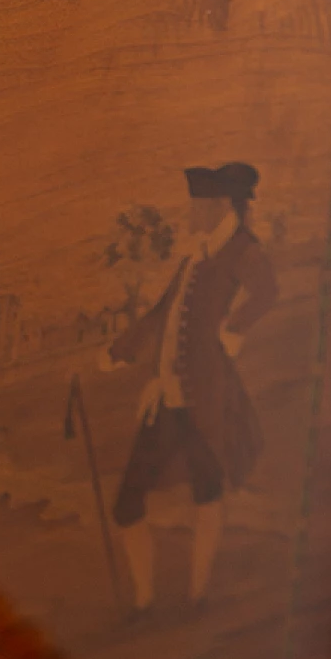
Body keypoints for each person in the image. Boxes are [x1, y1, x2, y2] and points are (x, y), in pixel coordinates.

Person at [98, 164, 278, 610]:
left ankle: (198, 596)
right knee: (128, 505)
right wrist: (117, 353)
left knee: (208, 491)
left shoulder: (241, 249)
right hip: (167, 397)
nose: (189, 212)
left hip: (207, 399)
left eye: (195, 204)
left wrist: (232, 331)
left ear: (217, 206)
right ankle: (145, 600)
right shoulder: (193, 259)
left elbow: (267, 291)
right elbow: (161, 314)